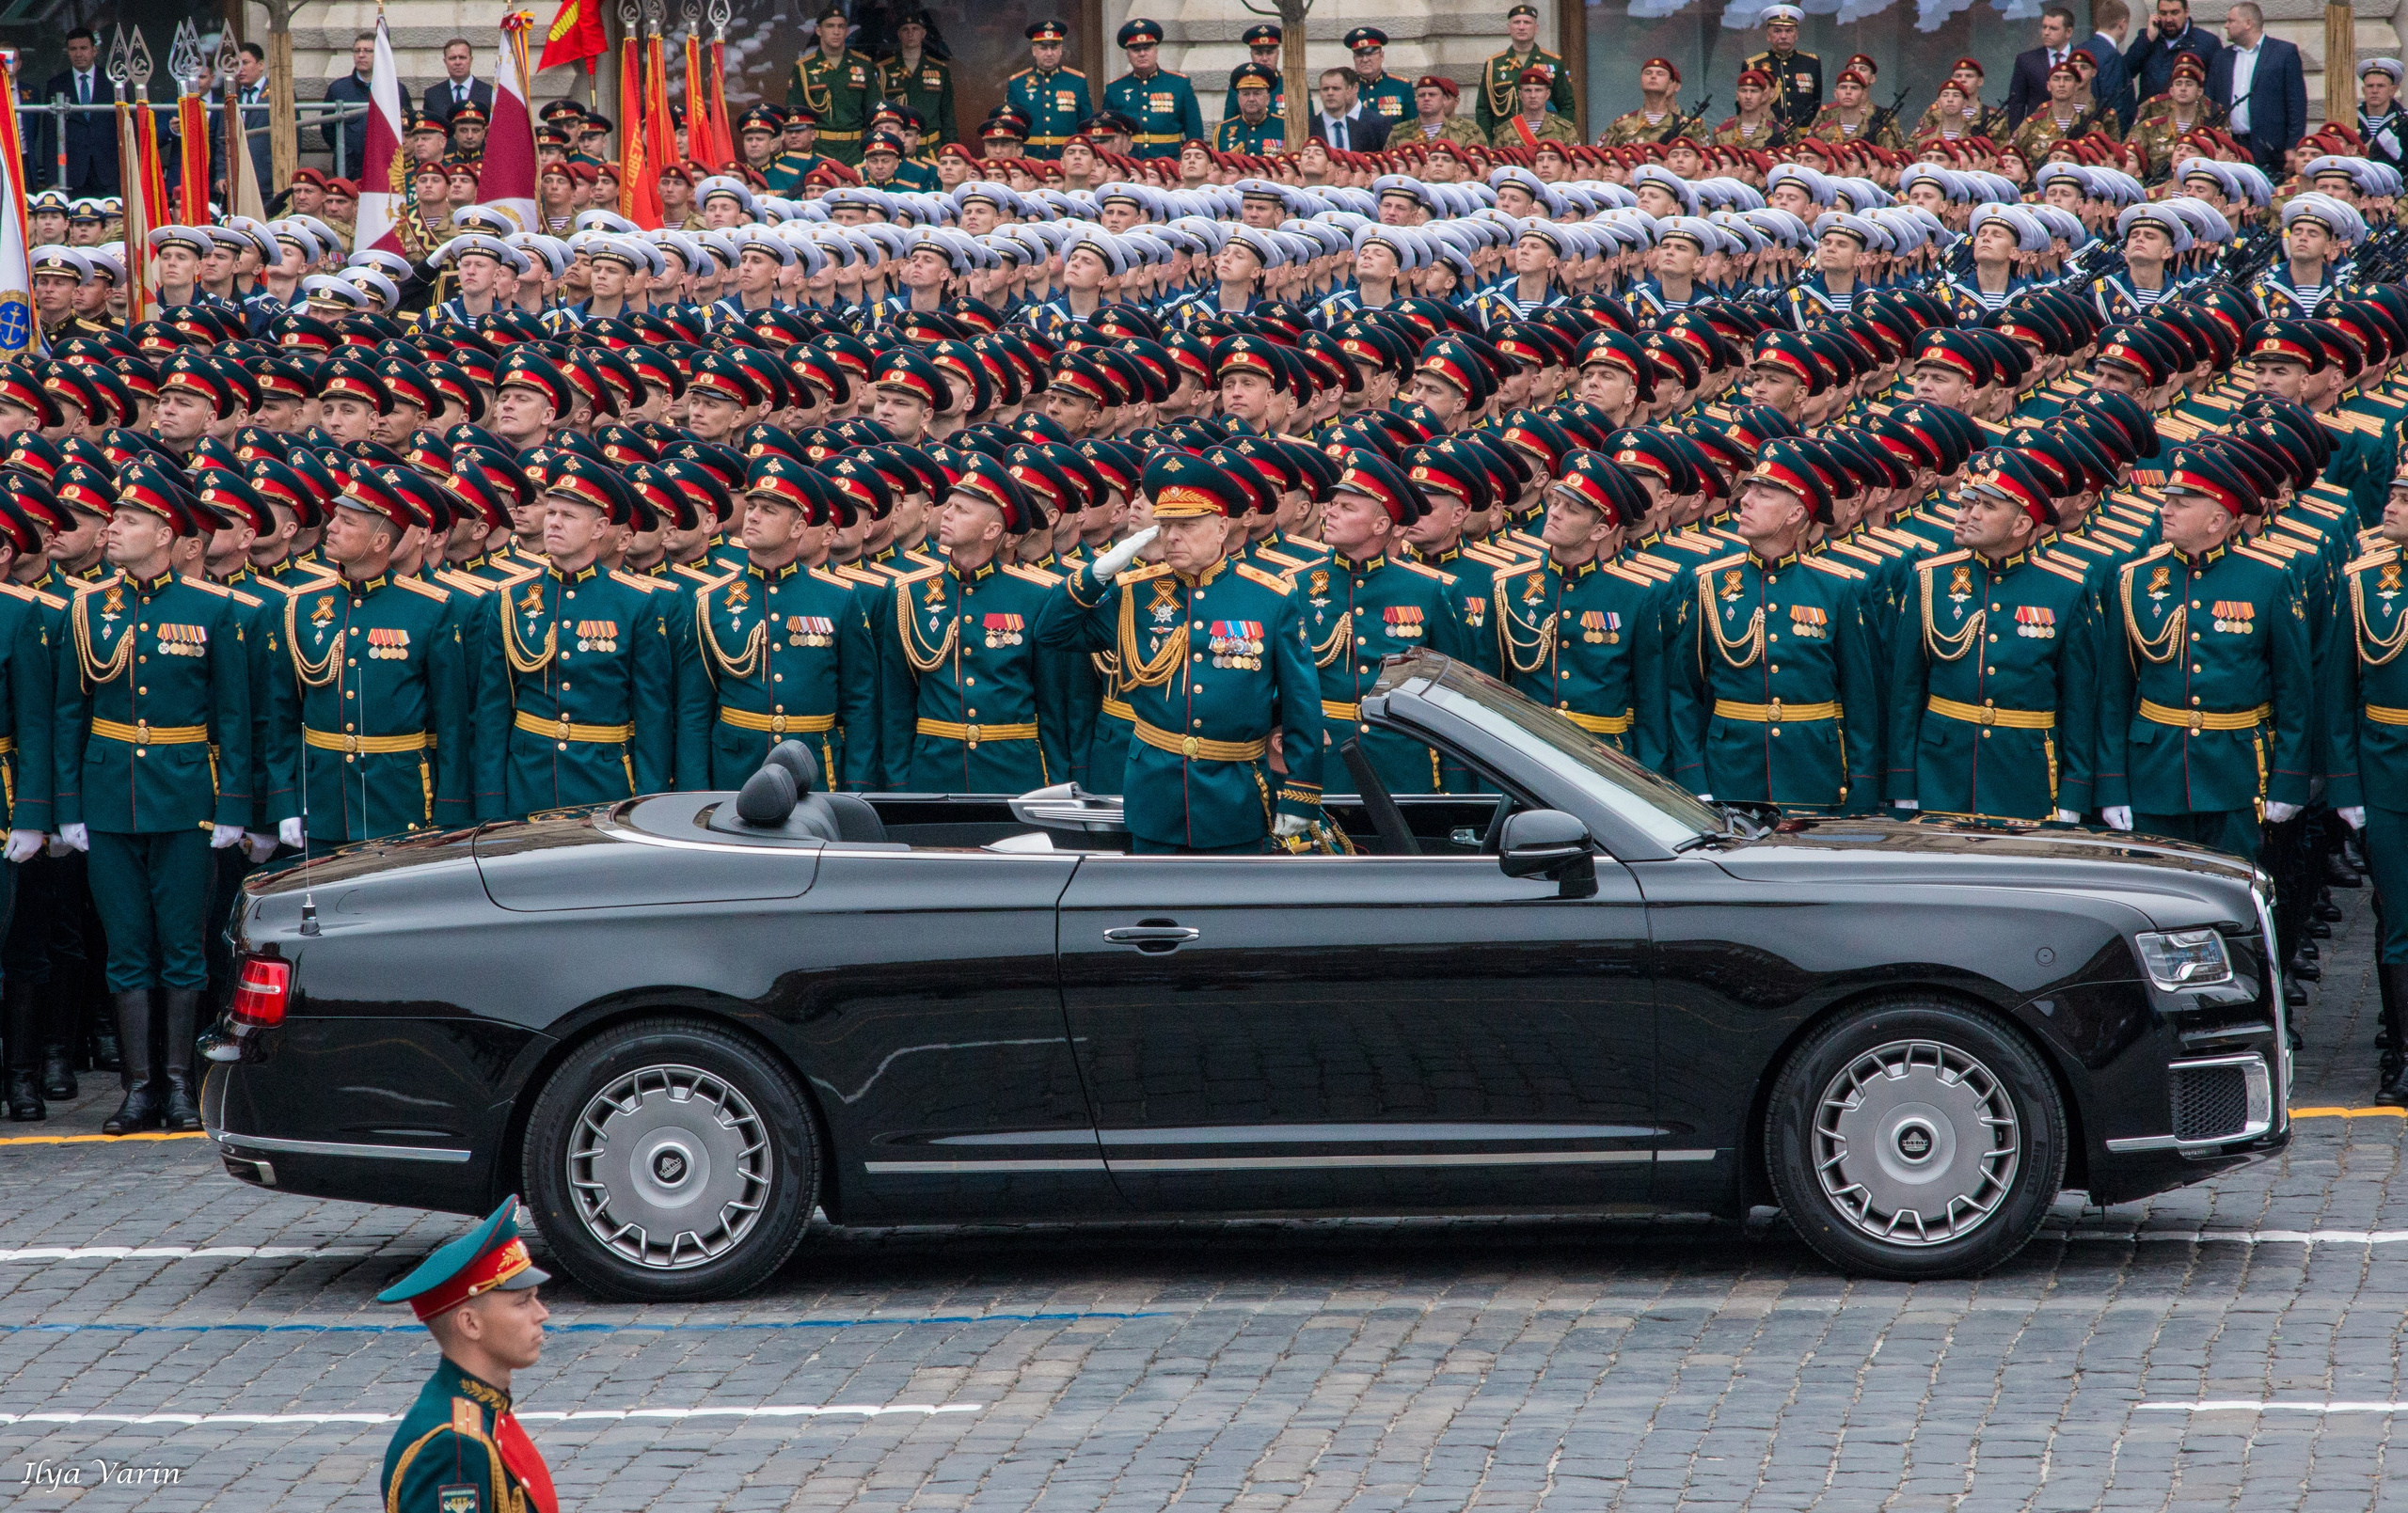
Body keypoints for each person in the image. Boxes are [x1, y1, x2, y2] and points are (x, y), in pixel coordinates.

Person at [56, 463, 253, 1137]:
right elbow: (67, 714)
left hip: (185, 794)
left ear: (167, 534)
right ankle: (137, 1089)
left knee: (183, 945)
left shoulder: (212, 609)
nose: (115, 529)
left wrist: (233, 807)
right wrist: (66, 804)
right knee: (126, 946)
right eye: (114, 518)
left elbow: (233, 717)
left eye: (131, 521)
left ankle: (177, 1085)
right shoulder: (86, 607)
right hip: (110, 794)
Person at [1045, 449, 1322, 853]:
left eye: (1187, 525)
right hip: (1156, 793)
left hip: (1234, 793)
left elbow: (1302, 701)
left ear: (1221, 527)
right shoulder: (1134, 593)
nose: (1171, 536)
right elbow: (1053, 633)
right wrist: (1095, 574)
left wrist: (1302, 789)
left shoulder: (1270, 597)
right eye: (1165, 524)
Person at [2096, 446, 2310, 863]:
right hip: (2154, 770)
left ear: (2217, 519)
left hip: (2236, 772)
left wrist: (2288, 780)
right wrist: (2111, 783)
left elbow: (2295, 692)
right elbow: (2113, 694)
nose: (2165, 510)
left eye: (2181, 503)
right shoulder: (2134, 579)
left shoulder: (2267, 580)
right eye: (2167, 500)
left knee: (2230, 899)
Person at [1886, 449, 2098, 823]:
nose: (1971, 514)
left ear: (2020, 525)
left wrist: (2075, 790)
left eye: (1987, 506)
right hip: (1941, 770)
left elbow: (2078, 704)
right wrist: (1903, 783)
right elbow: (1906, 690)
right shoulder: (1929, 579)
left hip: (2024, 773)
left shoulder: (2065, 590)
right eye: (1971, 502)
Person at [1668, 437, 1877, 813]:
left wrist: (1861, 783)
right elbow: (1685, 690)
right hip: (1731, 771)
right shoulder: (1708, 584)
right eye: (1749, 492)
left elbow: (1860, 698)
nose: (1744, 501)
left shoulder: (1837, 588)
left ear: (1795, 514)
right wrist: (1694, 777)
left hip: (1812, 769)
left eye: (1763, 496)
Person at [876, 451, 1073, 793]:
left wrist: (1056, 782)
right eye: (949, 506)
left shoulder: (1038, 596)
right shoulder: (908, 592)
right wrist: (898, 780)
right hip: (934, 766)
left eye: (962, 510)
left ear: (993, 529)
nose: (947, 514)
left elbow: (1053, 702)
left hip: (1012, 768)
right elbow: (897, 701)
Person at [693, 454, 880, 789]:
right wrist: (694, 790)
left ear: (797, 527)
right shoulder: (712, 599)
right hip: (735, 766)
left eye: (769, 511)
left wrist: (858, 785)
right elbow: (696, 708)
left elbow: (860, 701)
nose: (753, 517)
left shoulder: (840, 597)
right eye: (752, 507)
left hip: (814, 768)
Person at [375, 1198, 558, 1513]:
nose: (542, 1314)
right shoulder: (455, 1448)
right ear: (471, 1323)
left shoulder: (483, 1412)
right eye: (523, 1301)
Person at [2326, 469, 2408, 1104]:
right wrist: (2348, 786)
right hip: (2387, 764)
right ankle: (2403, 1057)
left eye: (2407, 498)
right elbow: (2338, 697)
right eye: (2395, 493)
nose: (2393, 504)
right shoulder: (2365, 585)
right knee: (2399, 915)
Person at [2207, 1, 2305, 172]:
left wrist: (2292, 147)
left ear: (2248, 23)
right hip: (2230, 147)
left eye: (2231, 21)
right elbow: (2210, 102)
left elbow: (2296, 103)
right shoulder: (2222, 58)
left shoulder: (2283, 53)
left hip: (2270, 150)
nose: (2226, 25)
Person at [789, 5, 879, 166]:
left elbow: (875, 112)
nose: (836, 32)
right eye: (830, 26)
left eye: (841, 26)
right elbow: (794, 115)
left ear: (847, 31)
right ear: (818, 30)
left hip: (855, 150)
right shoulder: (804, 67)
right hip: (818, 148)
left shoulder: (863, 65)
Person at [1104, 19, 1203, 160]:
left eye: (1147, 48)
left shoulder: (1179, 85)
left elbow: (1195, 133)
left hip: (1169, 163)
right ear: (1128, 54)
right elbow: (1107, 135)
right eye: (1136, 49)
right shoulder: (1115, 89)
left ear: (1156, 51)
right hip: (1129, 163)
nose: (1142, 53)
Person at [1477, 4, 1576, 143]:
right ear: (1508, 28)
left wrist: (1563, 137)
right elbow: (1484, 110)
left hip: (1547, 142)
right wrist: (1487, 145)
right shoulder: (1494, 65)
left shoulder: (1553, 63)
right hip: (1507, 143)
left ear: (1536, 28)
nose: (1522, 27)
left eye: (1527, 22)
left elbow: (1566, 105)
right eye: (1517, 22)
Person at [40, 28, 119, 197]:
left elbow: (127, 129)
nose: (78, 54)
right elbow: (49, 135)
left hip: (110, 172)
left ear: (94, 51)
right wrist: (52, 179)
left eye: (83, 48)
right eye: (73, 49)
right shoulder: (56, 85)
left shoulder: (113, 82)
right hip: (72, 173)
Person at [1006, 21, 1092, 160]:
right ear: (1034, 50)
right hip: (1029, 157)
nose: (1049, 53)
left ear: (1060, 50)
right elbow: (1012, 128)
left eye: (1054, 48)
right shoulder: (1017, 83)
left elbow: (1086, 126)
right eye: (1043, 48)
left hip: (1065, 158)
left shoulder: (1077, 81)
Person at [879, 10, 958, 149]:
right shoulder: (884, 69)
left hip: (930, 147)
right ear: (899, 34)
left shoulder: (940, 70)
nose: (910, 34)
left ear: (924, 33)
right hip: (896, 147)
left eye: (915, 29)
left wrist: (950, 148)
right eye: (905, 29)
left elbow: (948, 116)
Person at [1743, 5, 1821, 134]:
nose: (1783, 36)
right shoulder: (1753, 65)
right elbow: (1744, 107)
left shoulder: (1812, 62)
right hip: (1766, 135)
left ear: (1796, 35)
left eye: (1789, 31)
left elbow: (1816, 102)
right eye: (1777, 31)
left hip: (1802, 136)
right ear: (1768, 36)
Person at [2124, 0, 2220, 104]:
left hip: (2189, 115)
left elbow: (2217, 85)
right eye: (2163, 13)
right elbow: (2125, 72)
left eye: (2174, 12)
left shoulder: (2207, 42)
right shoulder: (2147, 38)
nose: (2169, 19)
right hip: (2151, 115)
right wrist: (2147, 40)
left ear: (2186, 12)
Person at [2008, 6, 2085, 129]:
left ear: (2069, 32)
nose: (2046, 32)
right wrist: (2016, 137)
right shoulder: (2026, 61)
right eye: (2044, 27)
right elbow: (2017, 103)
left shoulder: (2082, 61)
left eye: (2053, 29)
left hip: (2075, 130)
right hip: (2037, 134)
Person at [322, 32, 376, 176]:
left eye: (368, 51)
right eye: (357, 51)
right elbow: (327, 128)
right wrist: (345, 150)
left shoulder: (395, 89)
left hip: (384, 167)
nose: (361, 55)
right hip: (349, 168)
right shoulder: (338, 89)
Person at [1491, 66, 1578, 150]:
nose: (1533, 96)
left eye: (1538, 90)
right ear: (1520, 95)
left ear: (1547, 94)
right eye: (1528, 90)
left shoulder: (1565, 130)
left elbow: (1573, 163)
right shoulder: (1504, 131)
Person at [1343, 28, 1416, 128]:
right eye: (1359, 55)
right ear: (1354, 59)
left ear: (1381, 56)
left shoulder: (1402, 87)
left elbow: (1412, 126)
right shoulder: (1346, 87)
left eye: (1370, 54)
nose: (1365, 60)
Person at [1309, 69, 1391, 153]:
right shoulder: (1308, 128)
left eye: (1336, 88)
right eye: (1325, 89)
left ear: (1348, 92)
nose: (1330, 93)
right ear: (1320, 92)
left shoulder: (1363, 130)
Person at [1222, 24, 1287, 122]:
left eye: (1269, 53)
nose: (1265, 58)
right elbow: (1229, 126)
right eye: (1259, 53)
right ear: (1251, 55)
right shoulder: (1238, 87)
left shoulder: (1292, 84)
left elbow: (1307, 123)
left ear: (1278, 54)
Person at [1217, 63, 1286, 154]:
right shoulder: (1222, 131)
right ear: (1238, 99)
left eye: (1257, 93)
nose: (1251, 99)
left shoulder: (1284, 127)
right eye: (1246, 94)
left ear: (1267, 99)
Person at [423, 36, 493, 124]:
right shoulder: (432, 95)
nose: (458, 62)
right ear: (445, 62)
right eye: (452, 58)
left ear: (470, 60)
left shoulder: (489, 93)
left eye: (462, 57)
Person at [2360, 56, 2407, 172]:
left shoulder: (2404, 120)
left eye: (2380, 86)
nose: (2374, 90)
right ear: (2363, 90)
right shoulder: (2351, 117)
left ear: (2393, 90)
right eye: (2370, 86)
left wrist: (2398, 153)